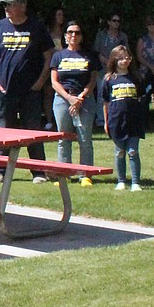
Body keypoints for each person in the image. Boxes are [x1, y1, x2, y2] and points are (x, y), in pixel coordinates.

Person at [0, 0, 54, 183]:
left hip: (30, 91)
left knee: (32, 130)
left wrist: (40, 81)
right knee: (3, 129)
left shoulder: (36, 27)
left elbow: (49, 56)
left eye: (10, 5)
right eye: (5, 5)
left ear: (22, 6)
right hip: (4, 91)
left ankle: (38, 171)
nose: (6, 8)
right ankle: (0, 171)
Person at [49, 21, 100, 185]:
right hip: (63, 100)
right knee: (63, 138)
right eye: (70, 32)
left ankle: (85, 174)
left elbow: (93, 80)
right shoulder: (58, 56)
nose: (73, 35)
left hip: (84, 100)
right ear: (65, 36)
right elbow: (54, 82)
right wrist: (69, 98)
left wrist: (81, 97)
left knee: (85, 139)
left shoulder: (89, 55)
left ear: (82, 36)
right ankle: (63, 173)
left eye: (77, 32)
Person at [101, 45, 147, 191]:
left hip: (133, 120)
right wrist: (106, 121)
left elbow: (141, 97)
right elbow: (106, 102)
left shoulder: (135, 77)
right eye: (120, 58)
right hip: (116, 120)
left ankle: (135, 182)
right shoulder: (109, 79)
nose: (124, 61)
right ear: (114, 60)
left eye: (127, 58)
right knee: (120, 151)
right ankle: (121, 180)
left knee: (133, 151)